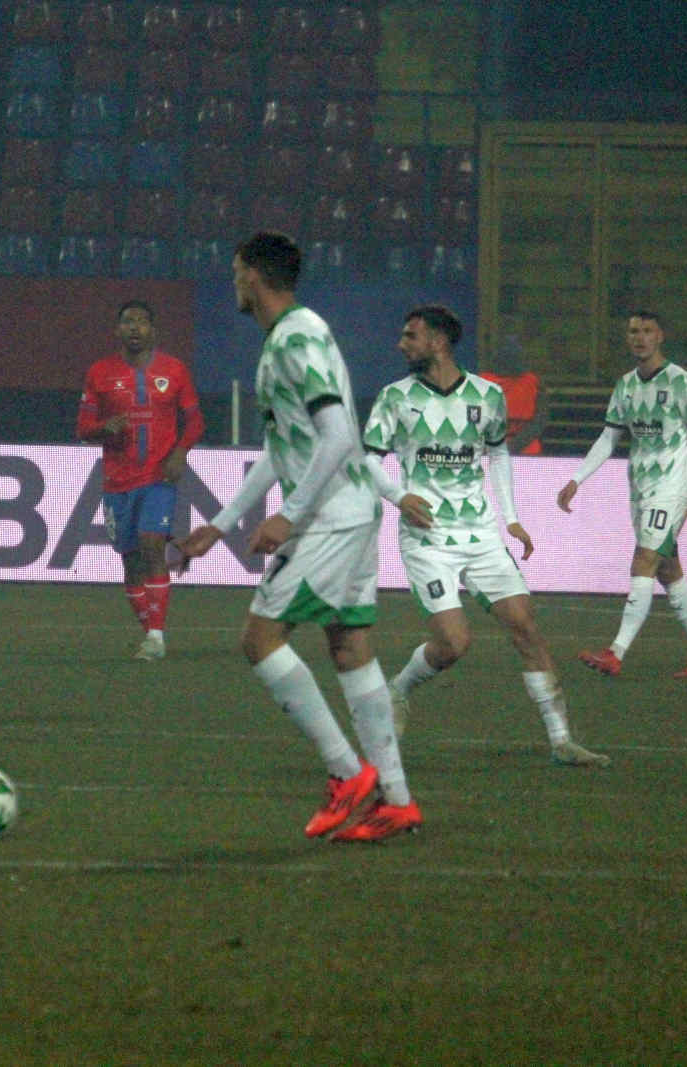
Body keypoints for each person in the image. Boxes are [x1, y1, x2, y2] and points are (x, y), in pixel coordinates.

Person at [175, 231, 418, 843]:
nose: (233, 282)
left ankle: (345, 774)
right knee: (349, 645)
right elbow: (285, 446)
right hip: (350, 508)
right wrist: (223, 522)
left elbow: (337, 434)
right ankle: (396, 799)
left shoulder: (297, 336)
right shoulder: (291, 337)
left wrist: (292, 513)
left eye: (236, 271)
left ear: (253, 276)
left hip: (332, 514)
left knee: (260, 639)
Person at [362, 305, 609, 767]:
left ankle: (561, 741)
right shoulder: (395, 398)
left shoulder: (487, 396)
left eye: (410, 336)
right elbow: (368, 458)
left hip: (480, 534)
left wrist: (510, 517)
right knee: (454, 644)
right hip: (428, 537)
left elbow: (497, 456)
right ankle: (399, 689)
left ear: (438, 342)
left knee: (526, 628)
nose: (401, 344)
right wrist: (399, 496)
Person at [556, 310, 687, 678]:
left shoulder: (684, 383)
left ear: (660, 336)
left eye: (647, 331)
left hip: (672, 487)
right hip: (640, 490)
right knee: (668, 570)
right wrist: (577, 479)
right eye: (633, 331)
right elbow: (608, 438)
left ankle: (615, 652)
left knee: (644, 560)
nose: (639, 337)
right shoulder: (626, 386)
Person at [76, 300, 205, 661]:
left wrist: (180, 453)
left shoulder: (174, 371)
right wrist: (104, 429)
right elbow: (83, 429)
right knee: (131, 562)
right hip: (118, 482)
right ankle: (150, 632)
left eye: (142, 322)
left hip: (158, 477)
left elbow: (195, 421)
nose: (135, 328)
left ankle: (157, 637)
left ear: (153, 330)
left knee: (152, 545)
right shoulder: (100, 373)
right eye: (128, 322)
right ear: (117, 330)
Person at [477, 339, 547, 455]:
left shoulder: (480, 382)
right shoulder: (535, 382)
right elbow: (540, 421)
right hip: (525, 449)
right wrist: (513, 446)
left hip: (490, 448)